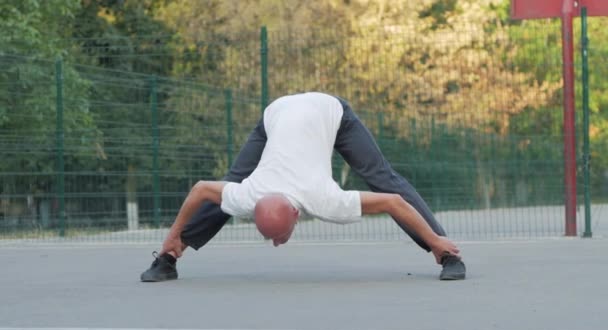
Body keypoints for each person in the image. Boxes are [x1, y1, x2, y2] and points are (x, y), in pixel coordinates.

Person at [141, 92, 466, 282]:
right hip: (277, 114)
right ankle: (170, 257)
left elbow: (393, 200)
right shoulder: (248, 195)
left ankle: (447, 254)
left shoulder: (323, 199)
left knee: (382, 178)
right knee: (231, 180)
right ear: (254, 209)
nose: (277, 245)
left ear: (298, 213)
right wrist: (173, 236)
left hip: (330, 112)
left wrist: (435, 240)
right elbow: (201, 189)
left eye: (279, 237)